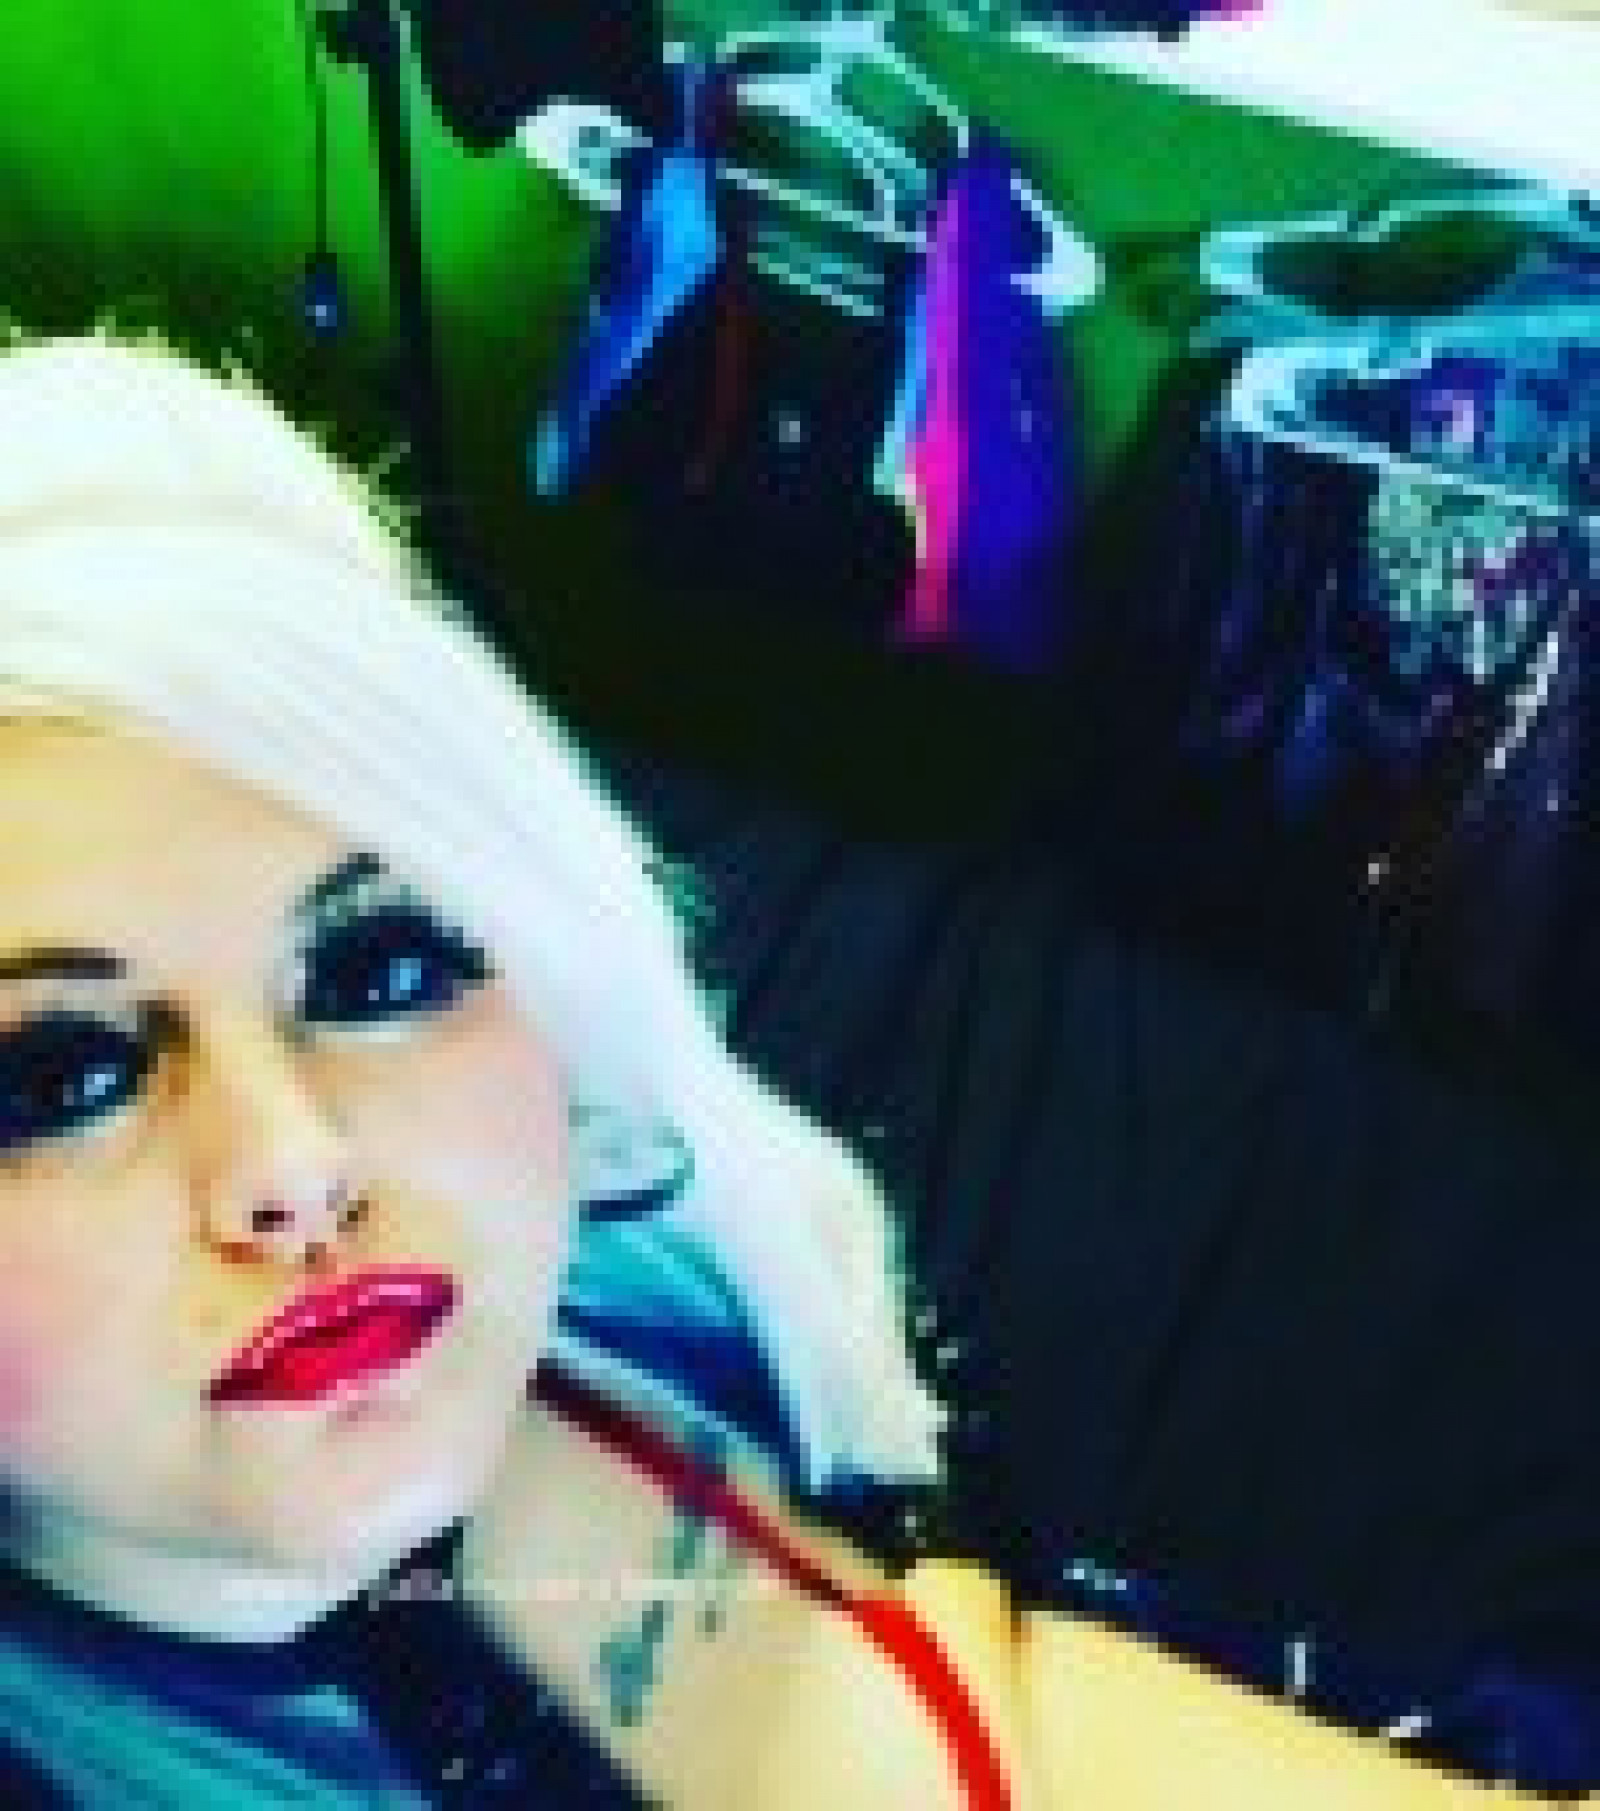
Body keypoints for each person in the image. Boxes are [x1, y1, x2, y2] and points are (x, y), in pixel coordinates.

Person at [0, 330, 1578, 1810]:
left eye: (378, 973)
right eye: (59, 1082)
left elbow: (973, 1704)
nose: (295, 1159)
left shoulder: (625, 1311)